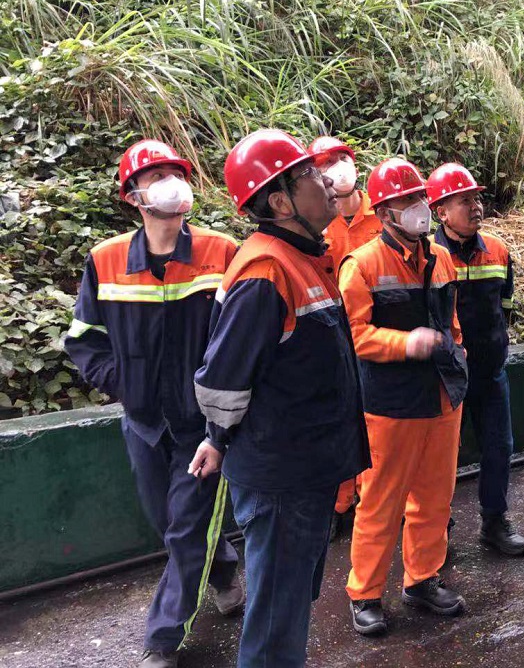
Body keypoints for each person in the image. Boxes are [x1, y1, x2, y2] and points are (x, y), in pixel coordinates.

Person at [189, 129, 370, 667]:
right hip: (282, 477)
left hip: (305, 468)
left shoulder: (303, 256)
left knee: (288, 603)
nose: (328, 182)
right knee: (275, 616)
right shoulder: (266, 271)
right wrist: (217, 437)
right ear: (280, 202)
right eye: (310, 174)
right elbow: (223, 376)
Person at [65, 139, 242, 668]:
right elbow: (84, 339)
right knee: (167, 520)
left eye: (176, 173)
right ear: (133, 197)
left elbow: (240, 335)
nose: (171, 184)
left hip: (202, 425)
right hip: (142, 422)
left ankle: (163, 639)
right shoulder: (107, 260)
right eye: (156, 176)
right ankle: (224, 569)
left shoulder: (221, 252)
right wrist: (124, 385)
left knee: (185, 527)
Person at [340, 158, 468, 637]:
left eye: (419, 198)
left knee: (435, 498)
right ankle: (365, 594)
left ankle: (422, 579)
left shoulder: (440, 257)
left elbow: (451, 321)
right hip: (390, 404)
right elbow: (354, 336)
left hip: (442, 396)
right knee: (380, 501)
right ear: (383, 212)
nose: (418, 208)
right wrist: (405, 343)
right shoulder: (362, 265)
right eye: (405, 201)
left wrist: (459, 355)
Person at [426, 162, 524, 555]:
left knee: (499, 446)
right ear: (441, 211)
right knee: (439, 460)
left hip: (489, 372)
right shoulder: (428, 255)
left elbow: (506, 305)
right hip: (445, 376)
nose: (476, 207)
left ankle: (494, 522)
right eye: (464, 201)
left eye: (476, 199)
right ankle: (435, 531)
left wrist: (496, 345)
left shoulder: (498, 250)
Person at [308, 136, 383, 537]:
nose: (336, 168)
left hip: (382, 333)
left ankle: (383, 500)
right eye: (325, 164)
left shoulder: (384, 212)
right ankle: (340, 504)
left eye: (341, 158)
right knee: (340, 420)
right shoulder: (317, 225)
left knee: (382, 424)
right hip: (337, 338)